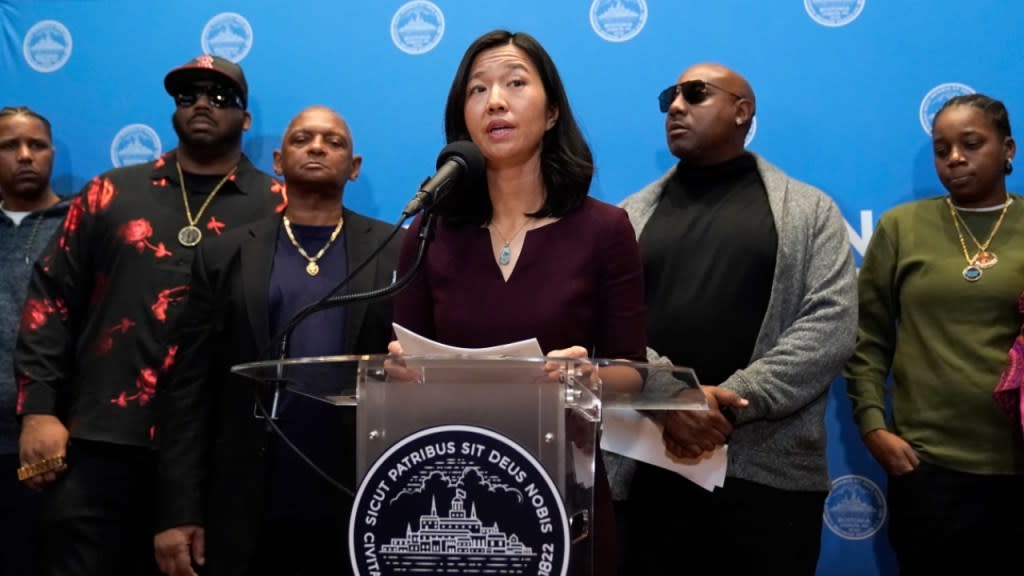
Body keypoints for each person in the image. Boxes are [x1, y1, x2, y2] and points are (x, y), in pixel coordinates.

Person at [14, 55, 285, 575]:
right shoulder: (110, 192)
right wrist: (39, 408)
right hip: (99, 441)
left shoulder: (278, 205)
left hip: (218, 451)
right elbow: (50, 299)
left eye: (220, 95)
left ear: (247, 119)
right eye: (189, 95)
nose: (203, 103)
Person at [390, 29, 646, 576]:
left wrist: (591, 376)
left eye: (514, 83)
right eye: (477, 90)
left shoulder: (605, 229)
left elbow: (634, 371)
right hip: (453, 468)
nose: (495, 101)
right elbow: (399, 361)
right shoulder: (429, 230)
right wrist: (396, 375)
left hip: (564, 486)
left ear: (552, 112)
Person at [615, 63, 857, 575]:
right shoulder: (626, 218)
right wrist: (673, 398)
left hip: (769, 478)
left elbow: (830, 324)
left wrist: (732, 402)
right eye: (670, 97)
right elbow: (609, 327)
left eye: (695, 94)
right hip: (645, 474)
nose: (676, 107)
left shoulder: (810, 211)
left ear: (742, 111)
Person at [154, 105, 400, 576]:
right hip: (246, 497)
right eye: (302, 139)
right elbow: (189, 387)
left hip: (357, 493)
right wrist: (178, 510)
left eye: (333, 142)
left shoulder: (395, 248)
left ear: (354, 168)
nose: (316, 148)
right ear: (277, 161)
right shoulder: (226, 250)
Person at [844, 93, 1024, 575]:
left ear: (1007, 149)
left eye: (971, 144)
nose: (955, 159)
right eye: (942, 149)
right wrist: (872, 425)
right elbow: (867, 335)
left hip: (1016, 464)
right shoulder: (905, 226)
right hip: (928, 467)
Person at [0, 106, 71, 574]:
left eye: (37, 145)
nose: (25, 156)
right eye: (9, 146)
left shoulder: (82, 224)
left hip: (62, 445)